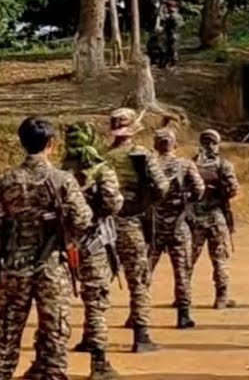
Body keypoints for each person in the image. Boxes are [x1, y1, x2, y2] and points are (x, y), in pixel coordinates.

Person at [0, 118, 94, 380]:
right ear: (51, 144)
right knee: (54, 334)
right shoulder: (62, 180)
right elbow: (83, 220)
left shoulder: (7, 179)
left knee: (6, 334)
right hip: (51, 267)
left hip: (14, 266)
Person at [60, 121, 124, 380]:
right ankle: (99, 363)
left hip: (65, 245)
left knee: (61, 303)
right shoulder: (102, 170)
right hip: (95, 242)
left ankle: (58, 356)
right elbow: (113, 204)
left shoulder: (61, 171)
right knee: (96, 301)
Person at [103, 107, 169, 353]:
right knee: (139, 279)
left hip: (104, 227)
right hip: (131, 222)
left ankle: (92, 335)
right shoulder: (141, 154)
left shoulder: (102, 156)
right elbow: (161, 187)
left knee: (99, 281)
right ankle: (141, 335)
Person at [148, 126, 205, 329]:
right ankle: (183, 315)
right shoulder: (185, 165)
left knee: (144, 272)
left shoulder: (149, 165)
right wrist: (187, 197)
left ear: (155, 145)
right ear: (175, 144)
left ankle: (137, 314)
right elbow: (199, 190)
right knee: (182, 270)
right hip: (178, 224)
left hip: (153, 226)